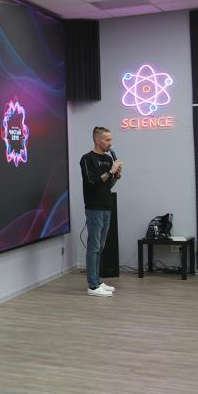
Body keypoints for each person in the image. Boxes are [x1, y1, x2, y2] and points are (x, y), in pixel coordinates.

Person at [80, 126, 123, 297]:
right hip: (94, 208)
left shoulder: (108, 159)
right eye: (107, 140)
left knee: (101, 246)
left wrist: (115, 176)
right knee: (93, 247)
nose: (110, 143)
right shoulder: (87, 159)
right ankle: (92, 286)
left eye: (111, 139)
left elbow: (107, 185)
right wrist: (110, 171)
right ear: (98, 140)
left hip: (106, 207)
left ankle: (97, 281)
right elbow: (91, 183)